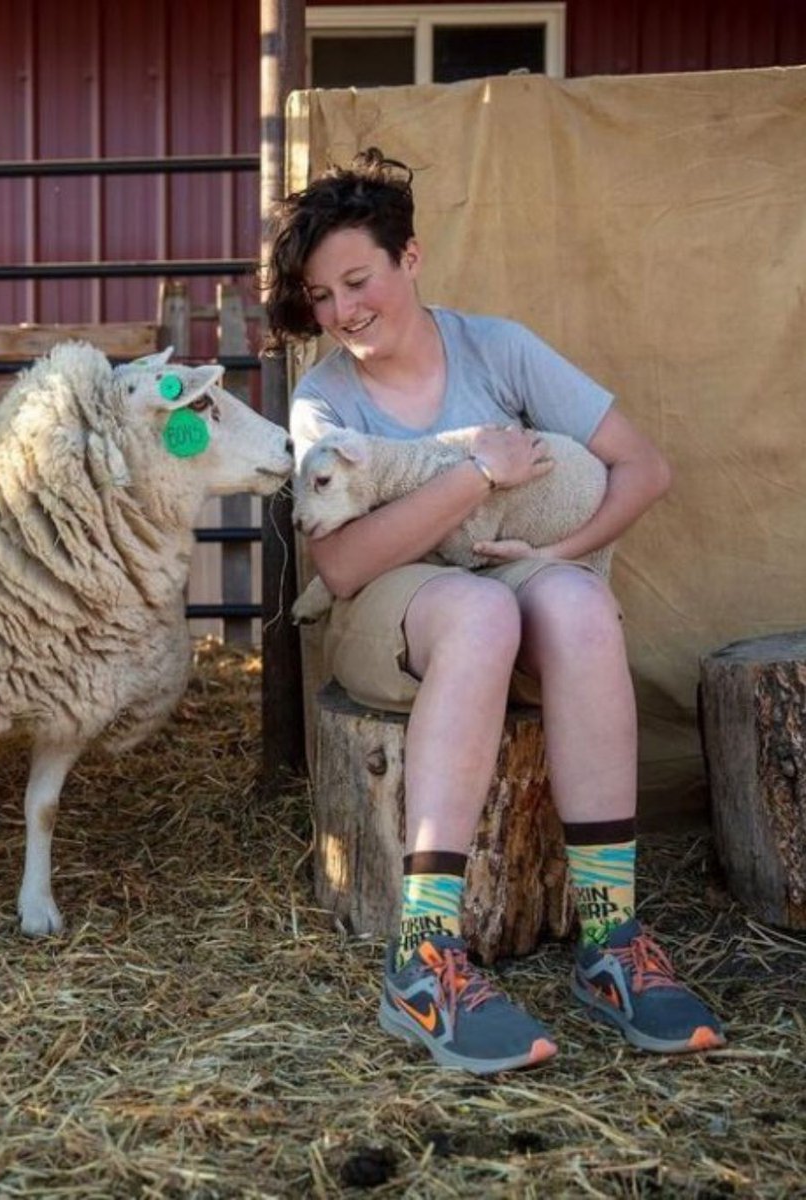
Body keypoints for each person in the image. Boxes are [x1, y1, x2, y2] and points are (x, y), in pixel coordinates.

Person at [263, 147, 725, 1075]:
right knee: (477, 613)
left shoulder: (499, 348)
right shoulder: (324, 398)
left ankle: (610, 939)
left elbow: (646, 467)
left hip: (498, 571)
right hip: (388, 617)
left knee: (580, 607)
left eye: (358, 280)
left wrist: (555, 552)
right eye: (321, 296)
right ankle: (425, 958)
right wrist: (479, 471)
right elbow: (344, 562)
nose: (343, 311)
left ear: (411, 258)